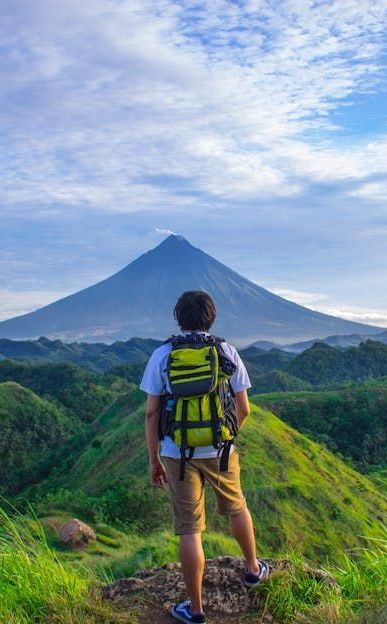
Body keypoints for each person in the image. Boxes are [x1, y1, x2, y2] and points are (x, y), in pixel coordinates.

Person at [140, 290, 269, 624]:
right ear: (211, 317)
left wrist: (154, 458)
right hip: (221, 449)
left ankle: (196, 610)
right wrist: (225, 437)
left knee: (189, 529)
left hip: (176, 452)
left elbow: (152, 414)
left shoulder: (163, 354)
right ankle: (253, 570)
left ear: (178, 317)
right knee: (237, 506)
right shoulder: (225, 350)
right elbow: (244, 408)